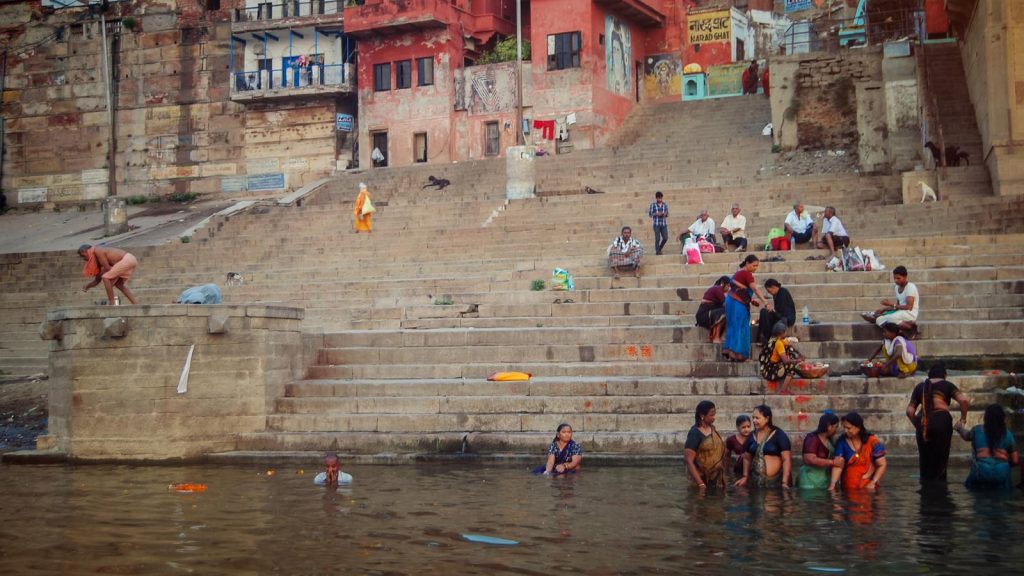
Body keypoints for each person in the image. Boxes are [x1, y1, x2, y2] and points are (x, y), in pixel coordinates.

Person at [906, 363, 969, 483]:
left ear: (929, 375)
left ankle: (926, 494)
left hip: (923, 423)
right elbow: (964, 401)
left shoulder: (920, 387)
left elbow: (909, 411)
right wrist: (962, 420)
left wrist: (918, 425)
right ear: (944, 375)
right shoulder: (947, 385)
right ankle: (940, 494)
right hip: (942, 421)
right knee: (941, 460)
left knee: (925, 461)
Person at [955, 404, 1019, 490]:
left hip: (981, 471)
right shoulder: (1008, 435)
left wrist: (959, 428)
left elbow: (966, 436)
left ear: (986, 417)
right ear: (1002, 418)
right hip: (1002, 472)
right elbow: (1015, 460)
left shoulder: (976, 430)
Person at [723, 255, 772, 362]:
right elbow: (754, 288)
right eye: (754, 265)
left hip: (731, 302)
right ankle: (740, 356)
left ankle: (730, 353)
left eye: (757, 266)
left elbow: (741, 291)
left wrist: (751, 301)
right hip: (738, 304)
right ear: (747, 263)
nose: (755, 268)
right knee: (741, 327)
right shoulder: (746, 274)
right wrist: (765, 302)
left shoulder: (738, 273)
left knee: (733, 325)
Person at [735, 405, 792, 488]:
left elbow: (786, 459)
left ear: (767, 419)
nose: (754, 421)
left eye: (757, 418)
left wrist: (784, 482)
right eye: (753, 418)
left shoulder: (779, 435)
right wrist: (745, 477)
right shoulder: (752, 435)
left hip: (776, 484)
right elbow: (747, 458)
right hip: (756, 483)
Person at [830, 412, 887, 491]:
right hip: (849, 489)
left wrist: (873, 482)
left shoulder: (872, 441)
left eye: (849, 428)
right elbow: (838, 465)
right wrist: (832, 486)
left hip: (869, 488)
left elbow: (882, 464)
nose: (845, 431)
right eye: (844, 428)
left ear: (858, 427)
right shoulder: (842, 442)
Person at [684, 401, 727, 490]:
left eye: (714, 414)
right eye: (711, 415)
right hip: (701, 479)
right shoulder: (695, 433)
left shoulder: (712, 429)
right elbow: (688, 461)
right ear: (702, 415)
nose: (714, 418)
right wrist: (701, 484)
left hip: (716, 478)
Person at [796, 412, 843, 489]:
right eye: (835, 427)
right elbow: (809, 459)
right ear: (829, 426)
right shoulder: (812, 438)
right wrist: (833, 462)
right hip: (809, 482)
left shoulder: (829, 439)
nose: (836, 430)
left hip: (823, 481)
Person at [863, 266, 919, 330]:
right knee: (879, 320)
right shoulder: (896, 287)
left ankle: (911, 329)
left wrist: (890, 304)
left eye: (898, 278)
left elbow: (909, 307)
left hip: (910, 314)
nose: (896, 281)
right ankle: (901, 327)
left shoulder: (910, 287)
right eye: (894, 278)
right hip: (900, 313)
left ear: (905, 277)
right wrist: (884, 309)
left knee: (890, 319)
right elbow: (897, 306)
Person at [758, 321, 805, 392]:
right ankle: (783, 390)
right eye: (786, 332)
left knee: (789, 349)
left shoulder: (777, 339)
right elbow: (785, 361)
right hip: (770, 370)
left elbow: (790, 345)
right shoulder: (779, 343)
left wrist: (800, 354)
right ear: (782, 332)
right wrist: (797, 361)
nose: (787, 333)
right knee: (791, 366)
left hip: (770, 367)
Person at [756, 278, 796, 346]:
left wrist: (773, 310)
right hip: (780, 316)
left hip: (786, 318)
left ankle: (766, 338)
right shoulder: (776, 294)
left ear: (773, 287)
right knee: (764, 312)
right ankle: (762, 338)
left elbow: (782, 311)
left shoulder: (783, 292)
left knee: (765, 312)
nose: (769, 292)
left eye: (769, 290)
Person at [695, 275, 730, 343]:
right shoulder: (717, 289)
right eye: (728, 285)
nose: (729, 288)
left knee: (728, 312)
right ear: (722, 283)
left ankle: (720, 336)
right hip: (703, 316)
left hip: (709, 314)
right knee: (725, 312)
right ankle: (716, 337)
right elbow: (726, 304)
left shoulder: (718, 290)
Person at [726, 414, 753, 479]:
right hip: (738, 469)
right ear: (737, 427)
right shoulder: (731, 440)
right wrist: (727, 472)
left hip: (752, 470)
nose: (746, 429)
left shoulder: (753, 438)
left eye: (748, 426)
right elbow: (727, 456)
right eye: (743, 427)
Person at [648, 191, 669, 256]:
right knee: (657, 238)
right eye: (658, 198)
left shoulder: (665, 205)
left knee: (665, 238)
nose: (659, 199)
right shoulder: (653, 205)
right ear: (656, 198)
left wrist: (665, 214)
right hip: (656, 224)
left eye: (660, 198)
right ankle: (657, 251)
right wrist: (656, 214)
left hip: (663, 224)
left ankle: (659, 248)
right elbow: (650, 214)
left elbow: (667, 214)